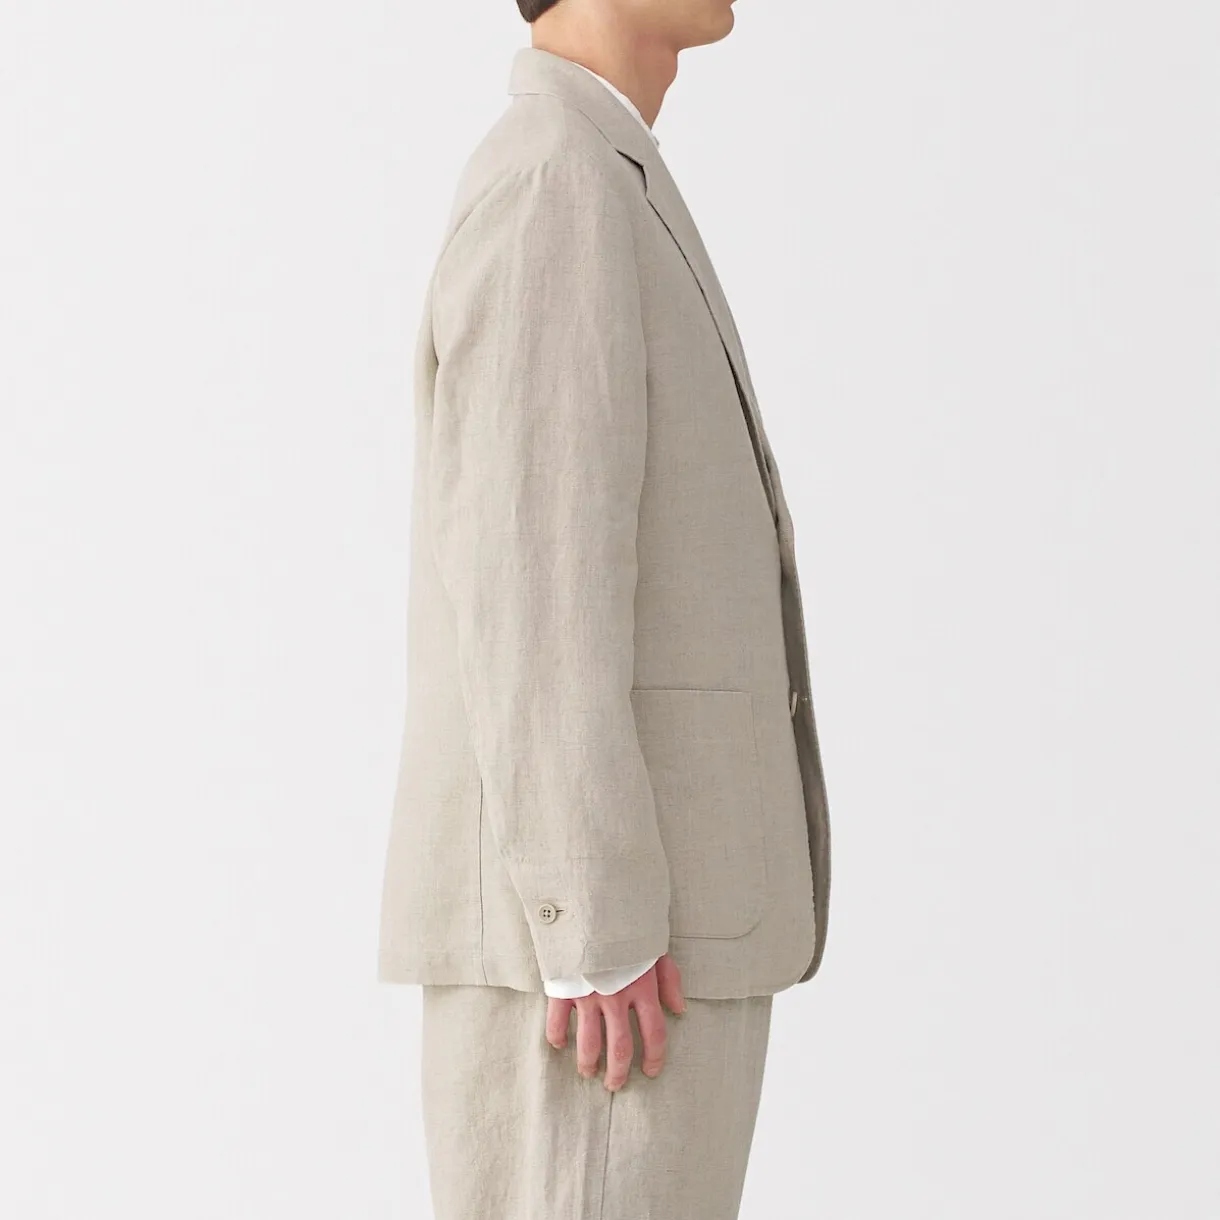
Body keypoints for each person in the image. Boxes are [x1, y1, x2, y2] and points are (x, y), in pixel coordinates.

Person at [376, 2, 831, 1216]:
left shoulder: (599, 165)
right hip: (603, 966)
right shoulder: (554, 178)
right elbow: (528, 578)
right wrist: (593, 916)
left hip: (643, 938)